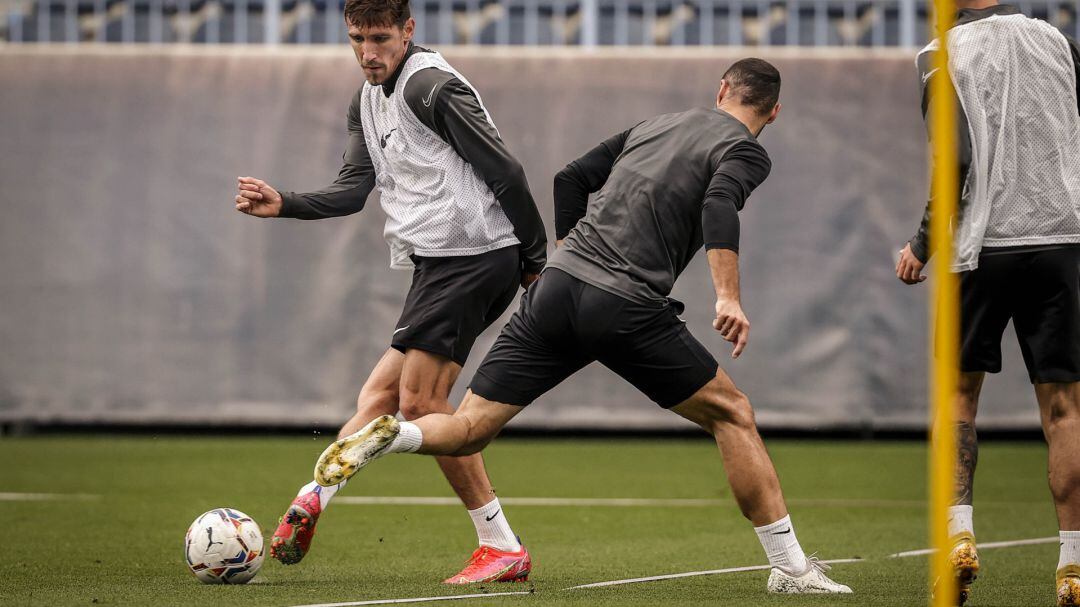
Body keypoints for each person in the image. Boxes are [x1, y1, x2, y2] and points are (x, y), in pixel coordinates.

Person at [313, 58, 852, 594]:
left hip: (555, 289)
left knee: (469, 428)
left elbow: (570, 176)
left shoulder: (656, 124)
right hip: (624, 304)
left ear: (722, 90)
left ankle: (395, 436)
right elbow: (718, 203)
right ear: (773, 111)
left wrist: (568, 247)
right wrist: (729, 297)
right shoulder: (745, 149)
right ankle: (791, 570)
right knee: (733, 414)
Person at [232, 0, 547, 583]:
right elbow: (354, 190)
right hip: (440, 266)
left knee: (421, 404)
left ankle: (500, 545)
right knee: (377, 396)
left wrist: (535, 262)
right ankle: (309, 500)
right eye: (357, 38)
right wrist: (287, 204)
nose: (368, 52)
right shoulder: (366, 100)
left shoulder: (431, 88)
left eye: (380, 37)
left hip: (476, 257)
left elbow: (507, 173)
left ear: (408, 31)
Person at [895, 2, 1080, 604]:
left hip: (981, 248)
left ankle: (959, 540)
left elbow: (957, 160)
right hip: (1061, 241)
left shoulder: (940, 55)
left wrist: (923, 241)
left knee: (958, 396)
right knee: (1064, 410)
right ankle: (1073, 567)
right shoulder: (1058, 41)